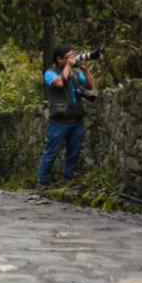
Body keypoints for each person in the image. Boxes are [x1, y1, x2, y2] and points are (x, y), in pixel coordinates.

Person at [37, 45, 96, 189]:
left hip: (76, 119)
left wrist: (85, 69)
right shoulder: (49, 73)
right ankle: (42, 182)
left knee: (73, 152)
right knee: (51, 152)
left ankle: (68, 180)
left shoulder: (75, 73)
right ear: (59, 59)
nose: (73, 58)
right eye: (69, 56)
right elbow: (60, 83)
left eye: (73, 55)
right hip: (59, 121)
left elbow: (90, 86)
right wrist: (69, 66)